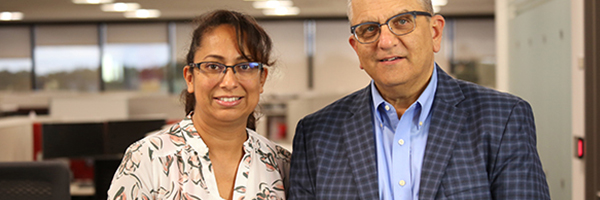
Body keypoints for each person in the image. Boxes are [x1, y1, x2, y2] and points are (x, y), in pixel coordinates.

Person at [288, 0, 550, 199]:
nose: (386, 41)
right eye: (369, 30)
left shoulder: (502, 118)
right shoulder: (316, 133)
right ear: (356, 48)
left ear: (435, 32)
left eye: (402, 22)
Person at [107, 10, 290, 200]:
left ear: (262, 79)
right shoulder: (147, 159)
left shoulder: (282, 165)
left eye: (244, 67)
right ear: (189, 78)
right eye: (213, 66)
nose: (229, 82)